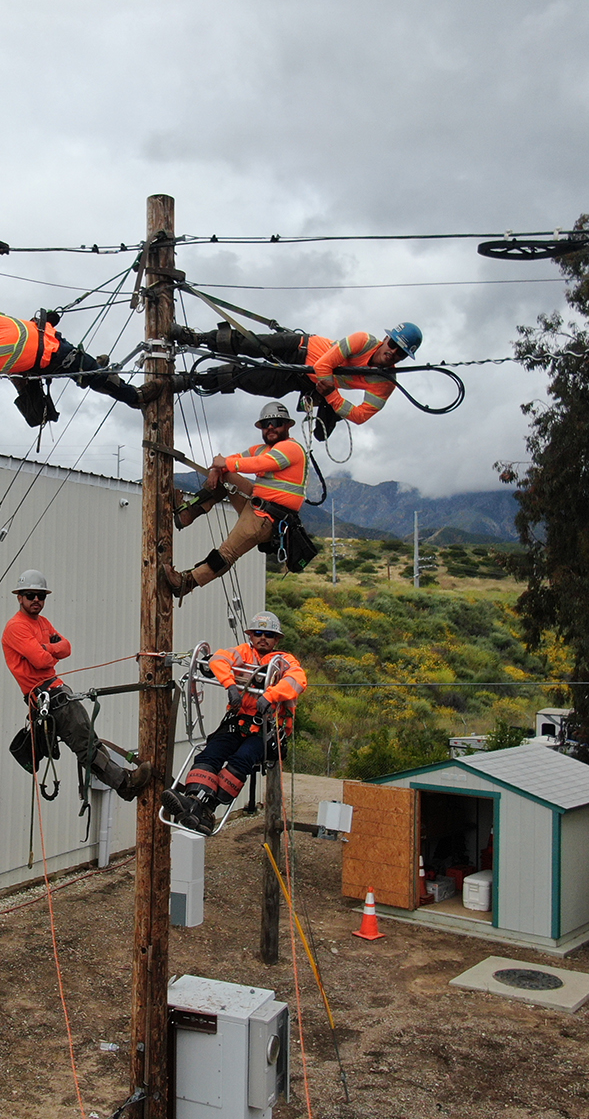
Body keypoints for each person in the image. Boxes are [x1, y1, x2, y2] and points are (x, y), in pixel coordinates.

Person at [0, 243, 163, 446]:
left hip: (46, 332)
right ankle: (135, 397)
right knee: (96, 377)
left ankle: (100, 370)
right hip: (51, 360)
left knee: (93, 371)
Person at [1, 569, 152, 799]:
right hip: (44, 695)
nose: (36, 600)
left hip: (56, 689)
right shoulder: (16, 627)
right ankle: (125, 783)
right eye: (30, 595)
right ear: (19, 597)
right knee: (84, 741)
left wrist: (47, 649)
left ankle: (124, 779)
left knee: (86, 735)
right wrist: (50, 652)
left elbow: (66, 647)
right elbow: (41, 660)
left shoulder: (43, 623)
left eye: (40, 596)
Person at [163, 612, 306, 835]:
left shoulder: (284, 661)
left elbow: (297, 680)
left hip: (266, 730)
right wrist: (230, 685)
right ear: (251, 635)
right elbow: (218, 659)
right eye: (258, 633)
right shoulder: (243, 654)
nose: (263, 638)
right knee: (210, 754)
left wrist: (269, 697)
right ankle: (192, 802)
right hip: (237, 721)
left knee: (241, 760)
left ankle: (207, 808)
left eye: (268, 634)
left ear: (276, 639)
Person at [160, 401, 308, 600]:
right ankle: (188, 513)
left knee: (227, 552)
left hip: (266, 518)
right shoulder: (261, 448)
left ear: (288, 425)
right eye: (266, 424)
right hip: (256, 504)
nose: (271, 427)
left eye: (276, 422)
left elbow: (259, 464)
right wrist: (217, 470)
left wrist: (224, 464)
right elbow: (235, 460)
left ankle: (186, 582)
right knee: (226, 475)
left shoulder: (291, 448)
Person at [170, 321, 423, 438]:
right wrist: (329, 390)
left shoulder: (385, 382)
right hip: (299, 348)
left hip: (305, 380)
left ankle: (191, 380)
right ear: (386, 339)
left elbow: (360, 416)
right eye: (393, 344)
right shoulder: (363, 341)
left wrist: (331, 397)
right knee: (247, 344)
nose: (393, 352)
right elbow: (324, 364)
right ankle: (197, 338)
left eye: (401, 352)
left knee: (250, 379)